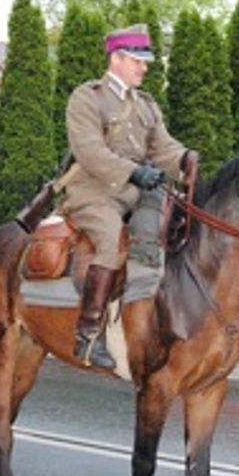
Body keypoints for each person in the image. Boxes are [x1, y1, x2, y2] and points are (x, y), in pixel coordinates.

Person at [60, 23, 197, 370]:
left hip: (135, 190)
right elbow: (89, 151)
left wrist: (184, 159)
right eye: (138, 60)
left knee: (177, 229)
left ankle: (157, 315)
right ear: (117, 58)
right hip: (93, 190)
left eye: (145, 60)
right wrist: (134, 171)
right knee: (110, 241)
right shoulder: (87, 97)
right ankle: (88, 334)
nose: (144, 67)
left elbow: (162, 147)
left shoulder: (146, 105)